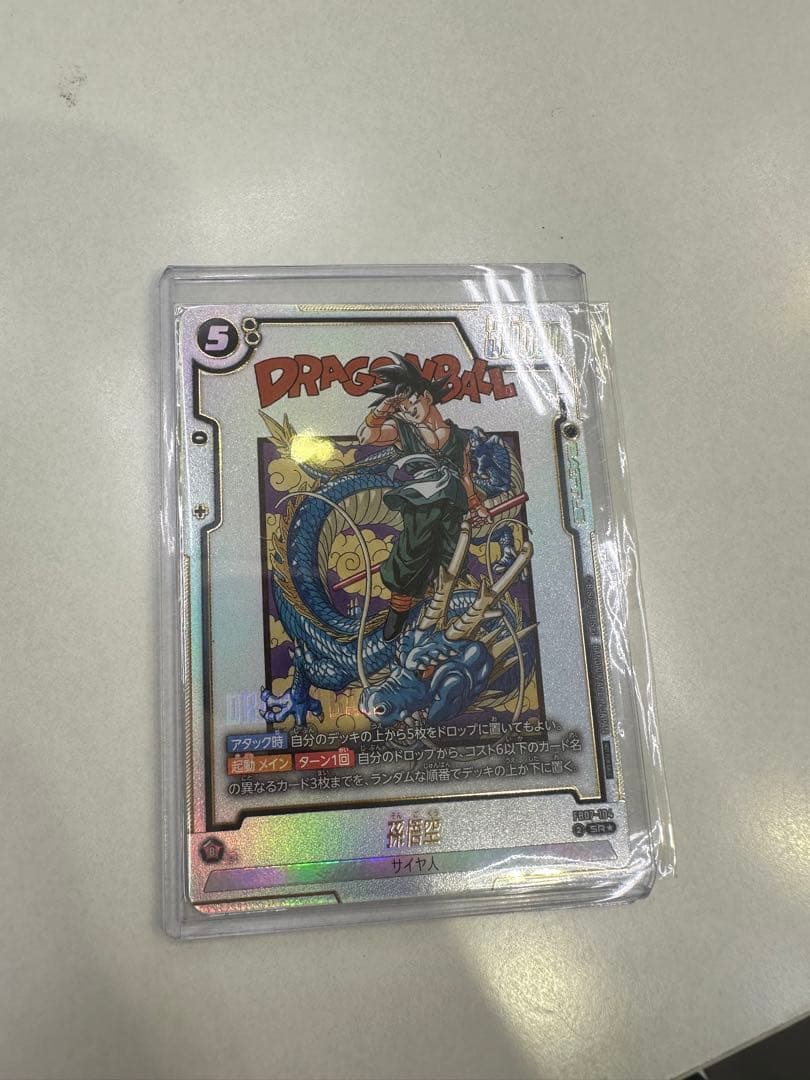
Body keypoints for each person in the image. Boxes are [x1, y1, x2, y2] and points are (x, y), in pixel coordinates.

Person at [357, 354, 491, 640]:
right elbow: (365, 436)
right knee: (412, 553)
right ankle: (398, 614)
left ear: (426, 396)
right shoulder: (402, 430)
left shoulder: (457, 436)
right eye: (403, 409)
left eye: (412, 404)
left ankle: (440, 616)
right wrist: (383, 409)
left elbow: (465, 474)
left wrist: (475, 505)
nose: (409, 412)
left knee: (450, 556)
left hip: (453, 505)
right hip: (422, 503)